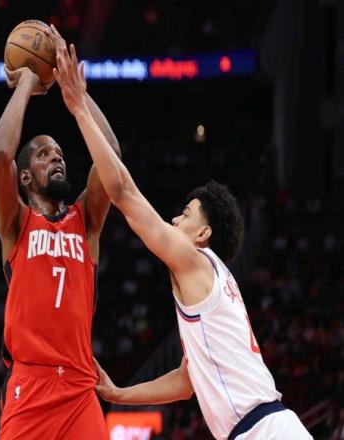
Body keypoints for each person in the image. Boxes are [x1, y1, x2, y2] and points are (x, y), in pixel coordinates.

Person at [52, 42, 313, 439]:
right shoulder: (211, 283)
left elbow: (121, 192)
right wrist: (119, 394)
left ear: (203, 235)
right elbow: (186, 382)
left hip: (264, 430)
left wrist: (78, 108)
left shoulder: (195, 261)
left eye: (186, 214)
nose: (175, 219)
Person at [0, 25, 120, 440]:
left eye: (59, 154)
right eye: (44, 155)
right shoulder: (16, 223)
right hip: (31, 384)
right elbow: (0, 155)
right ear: (25, 177)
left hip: (80, 386)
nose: (57, 158)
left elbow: (112, 157)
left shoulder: (86, 220)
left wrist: (75, 94)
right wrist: (27, 84)